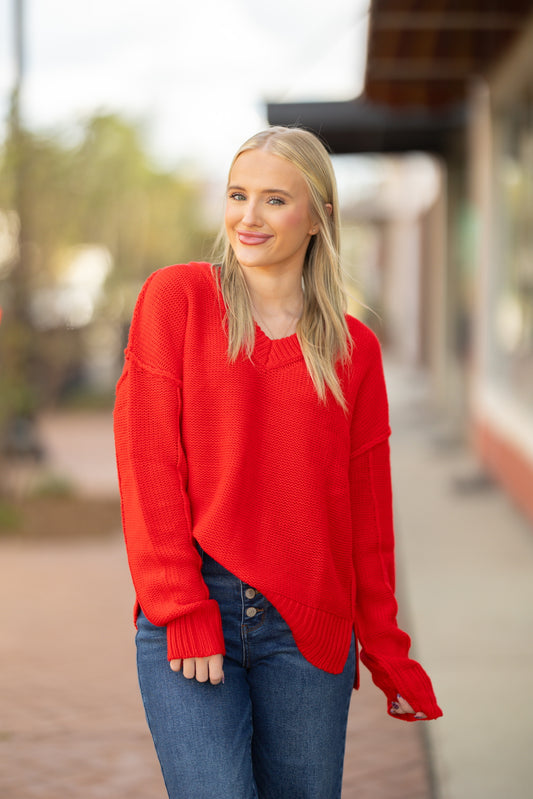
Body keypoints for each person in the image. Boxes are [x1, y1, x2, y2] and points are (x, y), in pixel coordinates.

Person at [113, 125, 442, 799]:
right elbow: (148, 465)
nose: (248, 217)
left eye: (273, 200)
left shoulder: (354, 350)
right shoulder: (176, 299)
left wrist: (385, 648)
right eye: (238, 195)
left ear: (319, 217)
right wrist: (181, 605)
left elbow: (366, 517)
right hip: (195, 604)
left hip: (308, 631)